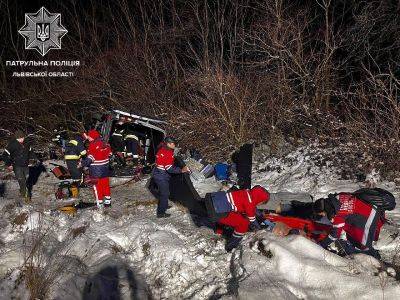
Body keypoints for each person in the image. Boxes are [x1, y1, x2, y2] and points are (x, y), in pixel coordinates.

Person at [317, 193, 384, 259]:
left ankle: (375, 258)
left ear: (325, 208)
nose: (323, 215)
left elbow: (335, 234)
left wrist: (322, 244)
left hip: (369, 217)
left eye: (323, 213)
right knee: (352, 238)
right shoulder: (337, 198)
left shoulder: (338, 213)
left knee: (363, 245)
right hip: (370, 208)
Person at [204, 185, 270, 252]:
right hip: (218, 210)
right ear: (259, 198)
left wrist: (260, 215)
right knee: (243, 225)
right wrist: (258, 227)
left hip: (215, 199)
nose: (259, 204)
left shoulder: (246, 193)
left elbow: (252, 208)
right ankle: (231, 246)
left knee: (239, 217)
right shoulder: (249, 202)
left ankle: (220, 229)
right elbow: (251, 217)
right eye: (260, 203)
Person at [152, 136, 189, 218]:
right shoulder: (167, 153)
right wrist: (181, 170)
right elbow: (169, 168)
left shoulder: (163, 149)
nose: (175, 145)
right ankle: (161, 213)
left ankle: (164, 205)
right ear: (168, 144)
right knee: (165, 194)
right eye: (173, 143)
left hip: (158, 173)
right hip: (161, 176)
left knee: (165, 192)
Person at [2, 130, 37, 204]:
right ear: (16, 138)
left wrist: (34, 159)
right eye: (19, 138)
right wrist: (9, 164)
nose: (21, 140)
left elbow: (31, 152)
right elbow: (4, 155)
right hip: (16, 165)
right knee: (21, 180)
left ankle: (22, 191)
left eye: (22, 138)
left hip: (26, 164)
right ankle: (26, 196)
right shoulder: (12, 144)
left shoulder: (27, 143)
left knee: (27, 180)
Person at [82, 130, 112, 208]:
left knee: (97, 187)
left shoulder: (92, 145)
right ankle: (108, 202)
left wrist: (82, 163)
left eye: (89, 136)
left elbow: (90, 159)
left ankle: (100, 204)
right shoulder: (105, 144)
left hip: (96, 171)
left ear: (93, 136)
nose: (88, 138)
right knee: (105, 185)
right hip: (105, 170)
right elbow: (110, 154)